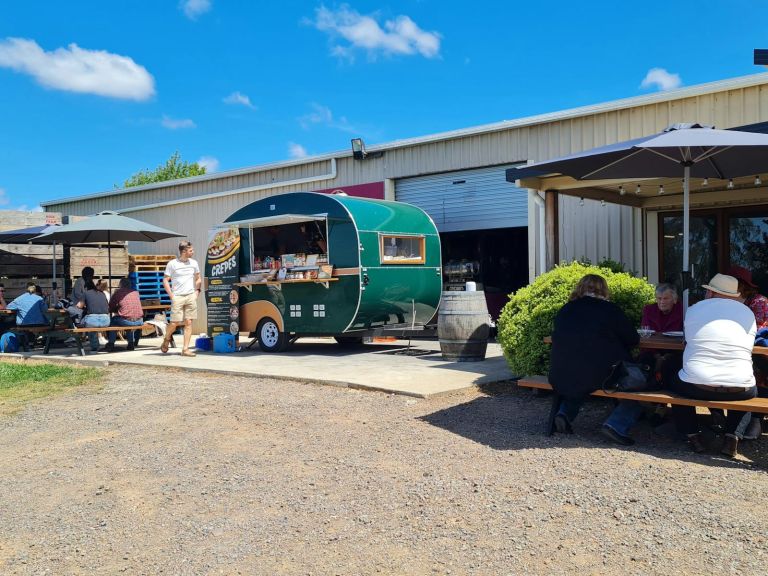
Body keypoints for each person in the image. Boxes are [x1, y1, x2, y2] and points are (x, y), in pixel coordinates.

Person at [661, 273, 757, 457]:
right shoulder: (747, 313)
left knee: (674, 375)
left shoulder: (695, 309)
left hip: (697, 386)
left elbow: (688, 340)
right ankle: (732, 436)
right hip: (740, 389)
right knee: (748, 381)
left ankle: (692, 435)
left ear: (712, 292)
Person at [548, 274, 643, 445]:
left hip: (559, 373)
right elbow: (633, 339)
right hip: (601, 375)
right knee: (640, 387)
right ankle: (616, 425)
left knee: (581, 375)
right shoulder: (609, 310)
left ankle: (564, 413)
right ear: (604, 290)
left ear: (580, 289)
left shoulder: (566, 309)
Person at [161, 241, 201, 357]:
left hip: (190, 296)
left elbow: (198, 278)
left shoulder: (194, 263)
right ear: (184, 251)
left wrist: (197, 291)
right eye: (191, 250)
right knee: (174, 323)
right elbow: (165, 280)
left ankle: (185, 349)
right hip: (177, 296)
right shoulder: (172, 264)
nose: (193, 252)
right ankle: (166, 338)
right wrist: (171, 296)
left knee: (188, 322)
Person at [105, 278, 144, 352]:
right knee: (127, 319)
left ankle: (111, 343)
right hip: (140, 320)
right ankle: (131, 343)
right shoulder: (135, 292)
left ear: (120, 284)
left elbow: (111, 306)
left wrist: (116, 309)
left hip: (127, 321)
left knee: (113, 321)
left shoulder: (118, 292)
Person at [7, 283, 50, 349]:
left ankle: (28, 343)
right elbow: (45, 309)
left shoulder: (19, 299)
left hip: (23, 324)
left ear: (26, 289)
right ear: (35, 290)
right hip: (39, 324)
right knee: (46, 321)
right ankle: (34, 341)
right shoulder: (39, 298)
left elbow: (8, 307)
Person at [77, 279, 110, 352]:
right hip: (106, 321)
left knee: (86, 323)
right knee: (91, 323)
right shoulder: (103, 293)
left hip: (93, 320)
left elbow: (79, 306)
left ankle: (94, 347)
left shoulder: (86, 293)